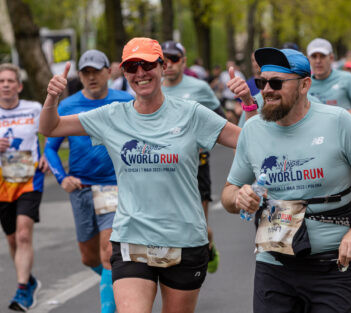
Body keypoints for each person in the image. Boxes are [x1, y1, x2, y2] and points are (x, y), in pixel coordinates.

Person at [40, 37, 240, 313]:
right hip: (132, 237)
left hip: (184, 239)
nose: (140, 73)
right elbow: (51, 128)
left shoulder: (190, 113)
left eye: (147, 65)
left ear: (161, 66)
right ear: (124, 73)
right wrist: (52, 97)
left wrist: (249, 107)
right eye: (132, 67)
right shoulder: (111, 116)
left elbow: (246, 142)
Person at [221, 47, 351, 312]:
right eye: (262, 82)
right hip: (273, 264)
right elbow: (228, 193)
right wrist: (238, 196)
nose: (266, 89)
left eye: (277, 82)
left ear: (304, 85)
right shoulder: (252, 129)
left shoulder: (338, 122)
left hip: (332, 265)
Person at [44, 49, 134, 313]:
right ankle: (125, 282)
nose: (92, 77)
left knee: (108, 252)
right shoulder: (68, 105)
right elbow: (49, 147)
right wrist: (63, 177)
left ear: (109, 71)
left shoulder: (125, 101)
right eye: (86, 73)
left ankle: (111, 306)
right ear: (80, 76)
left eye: (97, 71)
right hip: (81, 187)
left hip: (114, 185)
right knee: (89, 257)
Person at [0, 63, 48, 311]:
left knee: (24, 233)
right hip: (2, 184)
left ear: (19, 86)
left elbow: (52, 131)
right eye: (1, 81)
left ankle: (22, 290)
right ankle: (30, 280)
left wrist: (47, 156)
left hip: (30, 181)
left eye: (10, 81)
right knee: (13, 240)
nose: (5, 85)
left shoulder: (34, 109)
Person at [161, 40, 227, 274]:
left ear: (184, 61)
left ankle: (207, 243)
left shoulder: (199, 88)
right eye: (163, 59)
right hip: (164, 167)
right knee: (172, 222)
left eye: (174, 59)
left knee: (198, 225)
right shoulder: (152, 88)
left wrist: (200, 142)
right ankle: (181, 272)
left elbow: (220, 122)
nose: (168, 64)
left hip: (196, 163)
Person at [306, 38, 351, 120]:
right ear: (308, 59)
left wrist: (334, 118)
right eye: (314, 56)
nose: (318, 61)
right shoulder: (304, 84)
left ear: (331, 58)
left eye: (322, 56)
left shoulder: (347, 78)